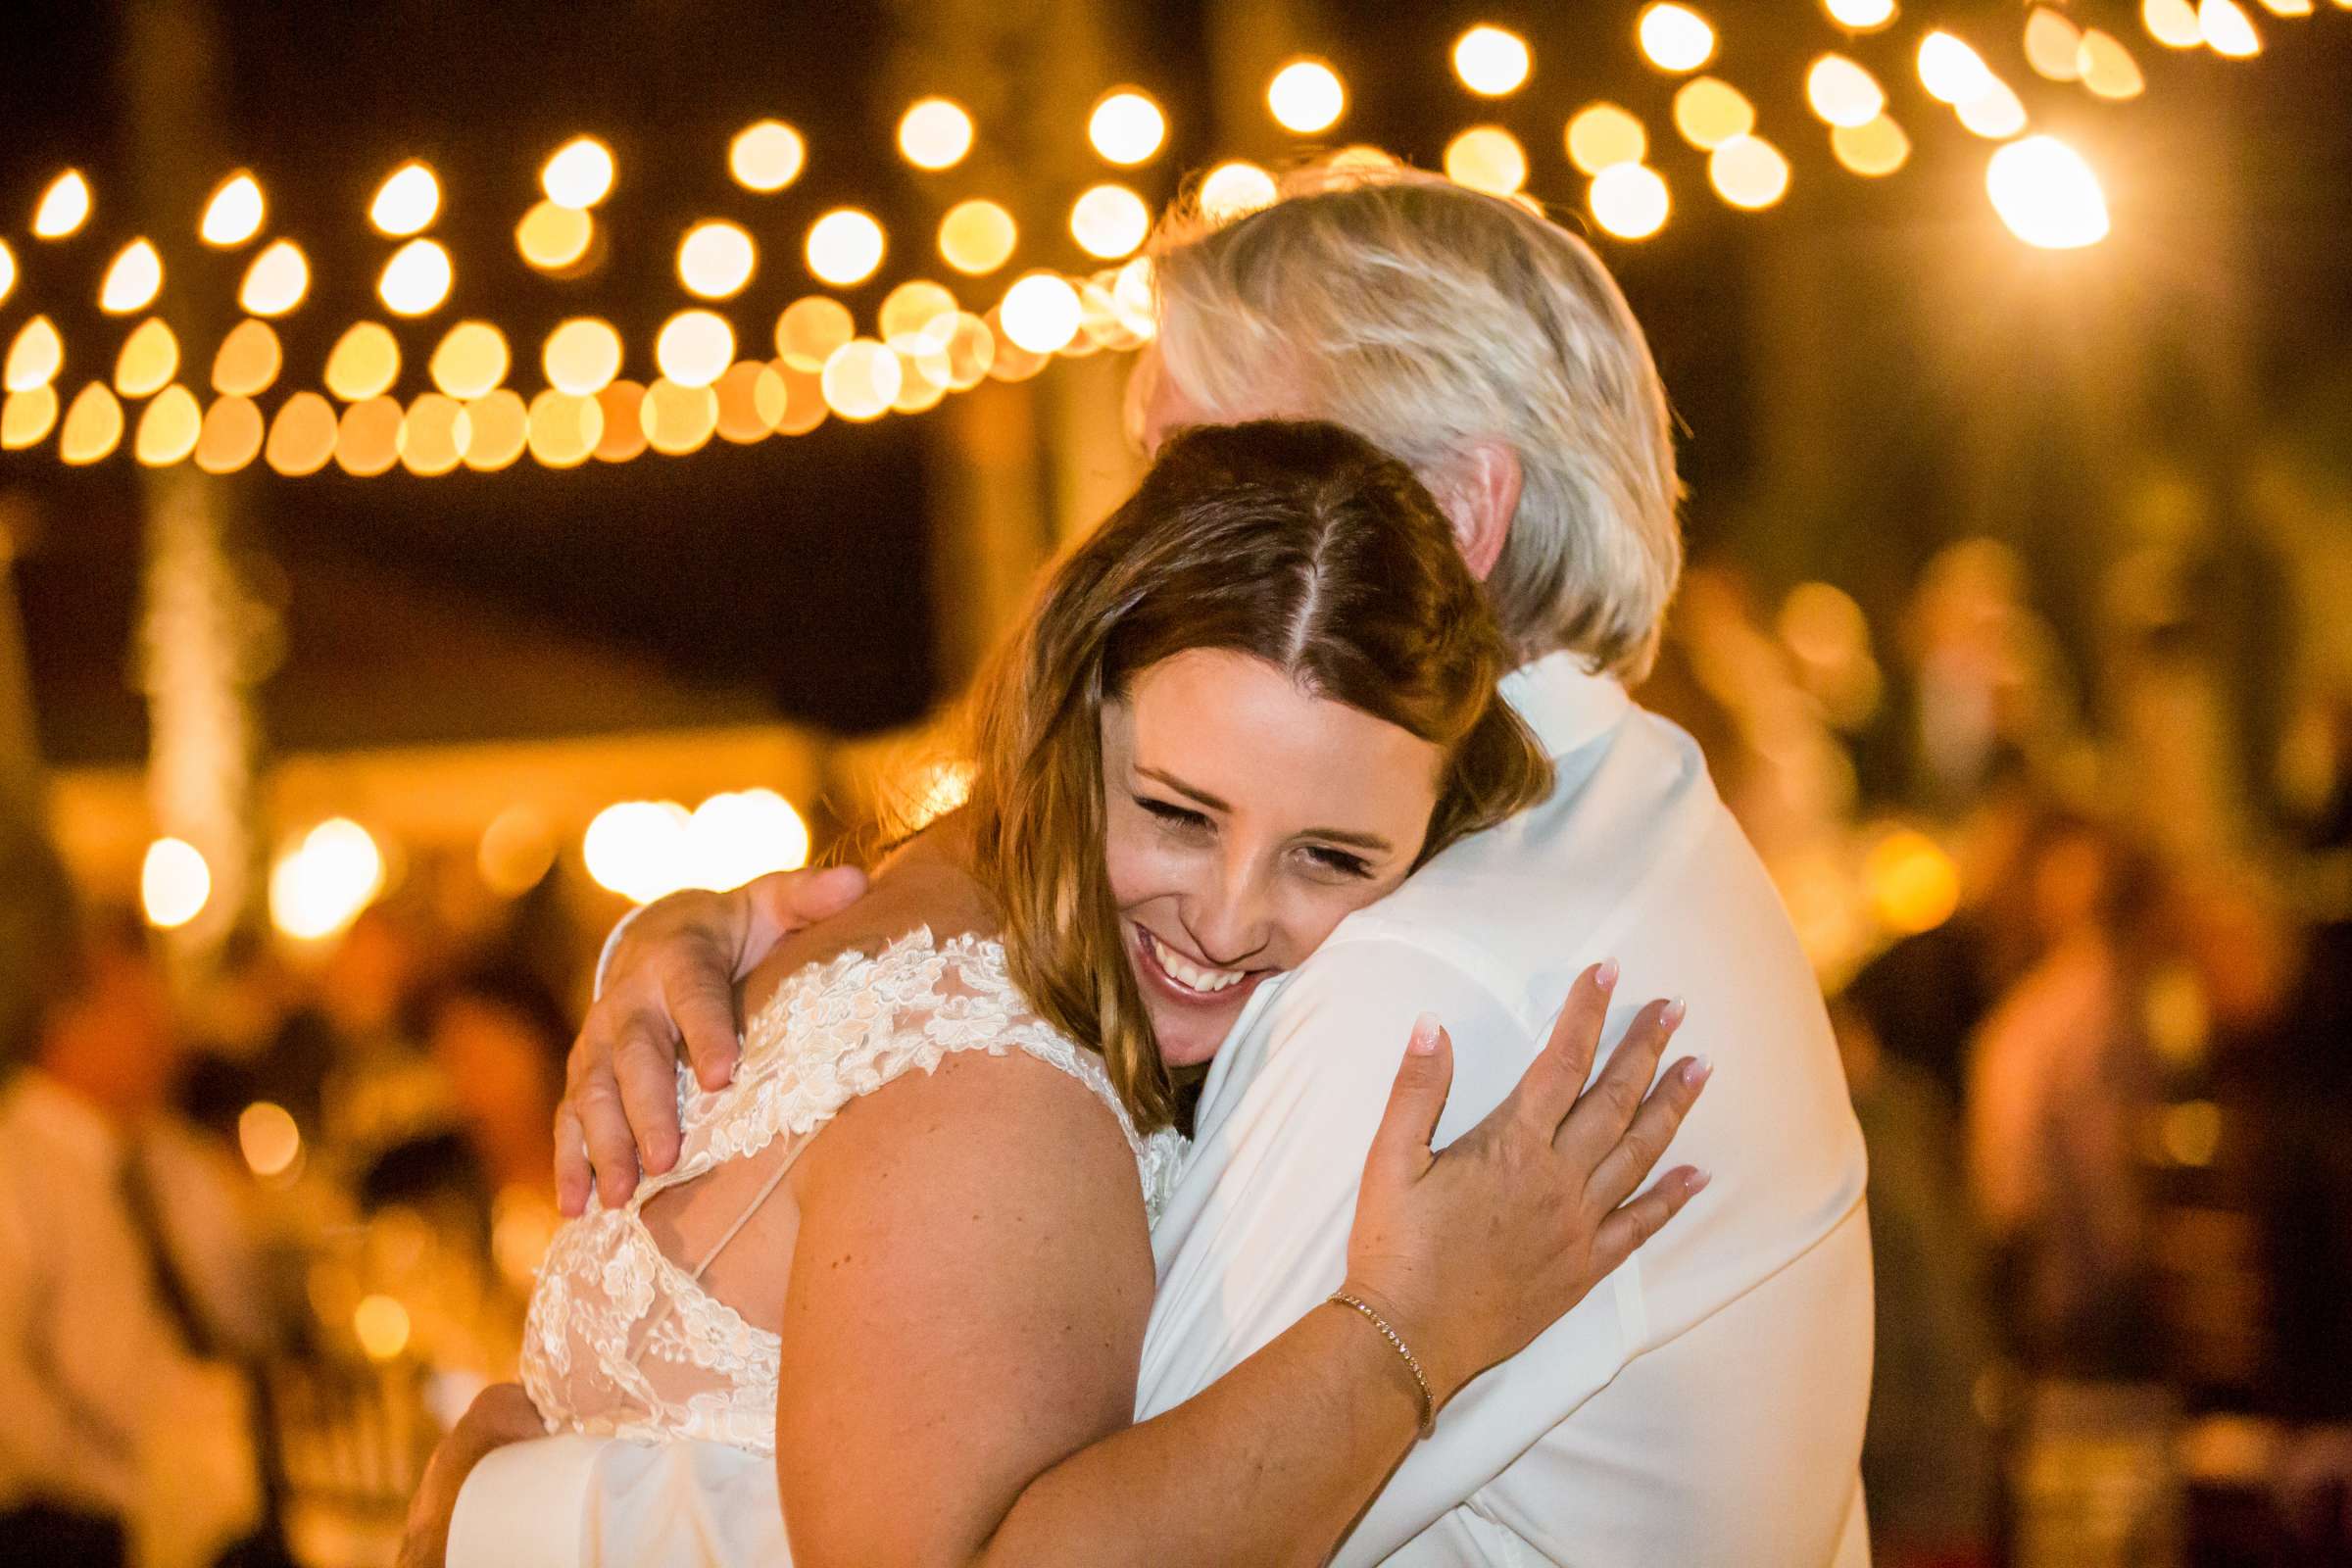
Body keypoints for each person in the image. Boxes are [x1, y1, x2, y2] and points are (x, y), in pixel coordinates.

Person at [534, 164, 1872, 1564]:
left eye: (1208, 469)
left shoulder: (1422, 983)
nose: (1135, 541)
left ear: (1454, 516)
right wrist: (688, 942)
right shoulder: (1627, 823)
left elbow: (1048, 1522)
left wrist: (539, 1499)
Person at [414, 419, 1708, 1566]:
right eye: (1176, 812)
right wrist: (1411, 1328)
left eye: (1331, 858)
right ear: (1074, 712)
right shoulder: (995, 1088)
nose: (1227, 918)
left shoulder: (934, 887)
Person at [0, 851, 281, 1568]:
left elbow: (244, 1317)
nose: (168, 1030)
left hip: (238, 1492)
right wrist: (126, 1493)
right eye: (141, 1008)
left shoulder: (171, 1161)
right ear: (70, 1024)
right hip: (85, 1525)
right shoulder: (17, 1169)